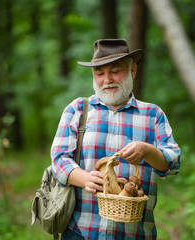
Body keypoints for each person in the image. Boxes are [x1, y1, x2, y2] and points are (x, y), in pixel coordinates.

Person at [51, 39, 181, 240]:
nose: (107, 79)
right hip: (81, 231)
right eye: (100, 73)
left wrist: (147, 150)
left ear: (133, 70)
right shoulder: (77, 110)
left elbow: (172, 164)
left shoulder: (153, 115)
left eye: (115, 71)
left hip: (134, 234)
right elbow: (59, 160)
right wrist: (85, 178)